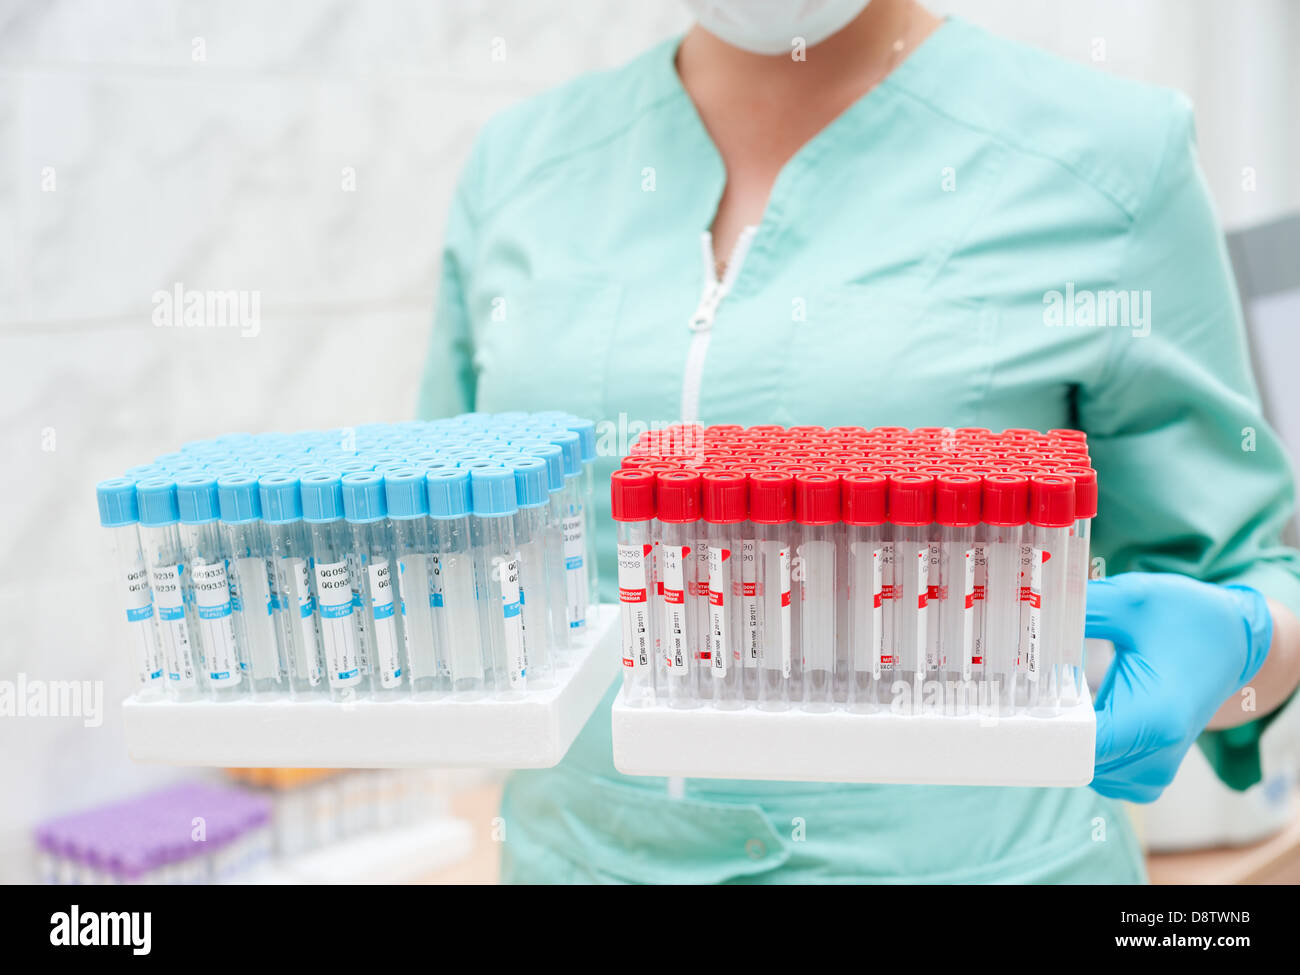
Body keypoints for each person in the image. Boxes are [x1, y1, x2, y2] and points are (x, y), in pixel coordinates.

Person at [418, 0, 1300, 882]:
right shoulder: (519, 166)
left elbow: (1245, 579)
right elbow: (441, 534)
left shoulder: (1109, 157)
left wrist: (1246, 642)